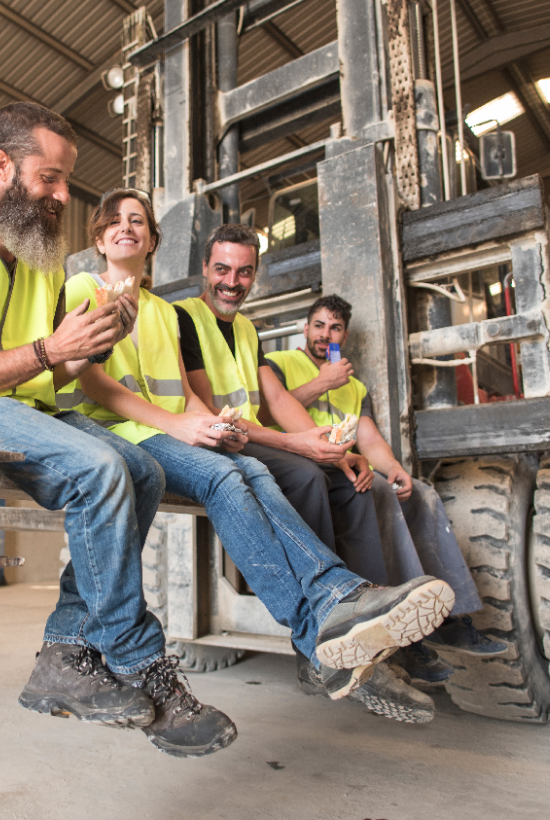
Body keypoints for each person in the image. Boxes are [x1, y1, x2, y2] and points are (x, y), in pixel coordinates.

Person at [0, 101, 239, 759]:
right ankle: (138, 657)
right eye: (50, 178)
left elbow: (50, 379)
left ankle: (65, 654)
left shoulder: (42, 262)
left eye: (67, 180)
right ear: (3, 166)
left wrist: (88, 347)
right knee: (99, 469)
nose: (64, 195)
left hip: (20, 408)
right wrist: (49, 351)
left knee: (141, 468)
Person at [58, 188, 455, 726]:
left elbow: (188, 396)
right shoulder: (83, 286)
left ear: (152, 241)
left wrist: (212, 424)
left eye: (139, 222)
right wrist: (184, 424)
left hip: (174, 430)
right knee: (231, 476)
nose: (127, 227)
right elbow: (95, 382)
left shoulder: (163, 313)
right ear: (100, 235)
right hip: (122, 431)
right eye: (116, 220)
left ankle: (340, 600)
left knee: (252, 469)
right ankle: (320, 623)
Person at [173, 224, 450, 714]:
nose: (232, 281)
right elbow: (213, 412)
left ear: (254, 274)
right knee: (305, 475)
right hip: (217, 439)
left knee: (352, 483)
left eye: (243, 271)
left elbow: (276, 400)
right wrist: (301, 446)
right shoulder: (186, 318)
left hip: (250, 435)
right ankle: (317, 644)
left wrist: (334, 451)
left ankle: (367, 627)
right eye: (222, 269)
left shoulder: (246, 328)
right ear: (205, 270)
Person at [266, 294, 507, 659]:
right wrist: (321, 383)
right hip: (301, 467)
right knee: (375, 491)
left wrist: (394, 468)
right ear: (305, 328)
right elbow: (268, 409)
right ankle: (400, 636)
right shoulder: (278, 362)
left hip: (344, 466)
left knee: (417, 493)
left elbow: (367, 434)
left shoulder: (354, 384)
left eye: (335, 328)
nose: (325, 334)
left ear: (344, 336)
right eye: (318, 325)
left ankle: (448, 620)